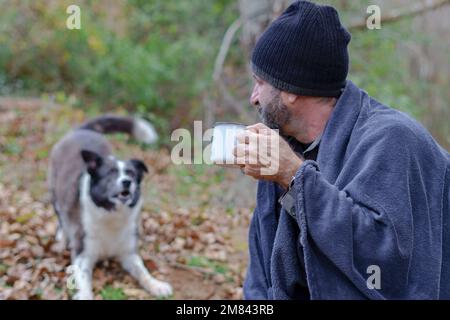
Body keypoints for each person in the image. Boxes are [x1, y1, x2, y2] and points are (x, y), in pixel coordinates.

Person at [234, 0, 450, 299]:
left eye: (260, 83)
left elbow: (383, 261)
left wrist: (294, 176)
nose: (253, 97)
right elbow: (263, 273)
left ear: (291, 89)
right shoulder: (286, 143)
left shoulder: (391, 139)